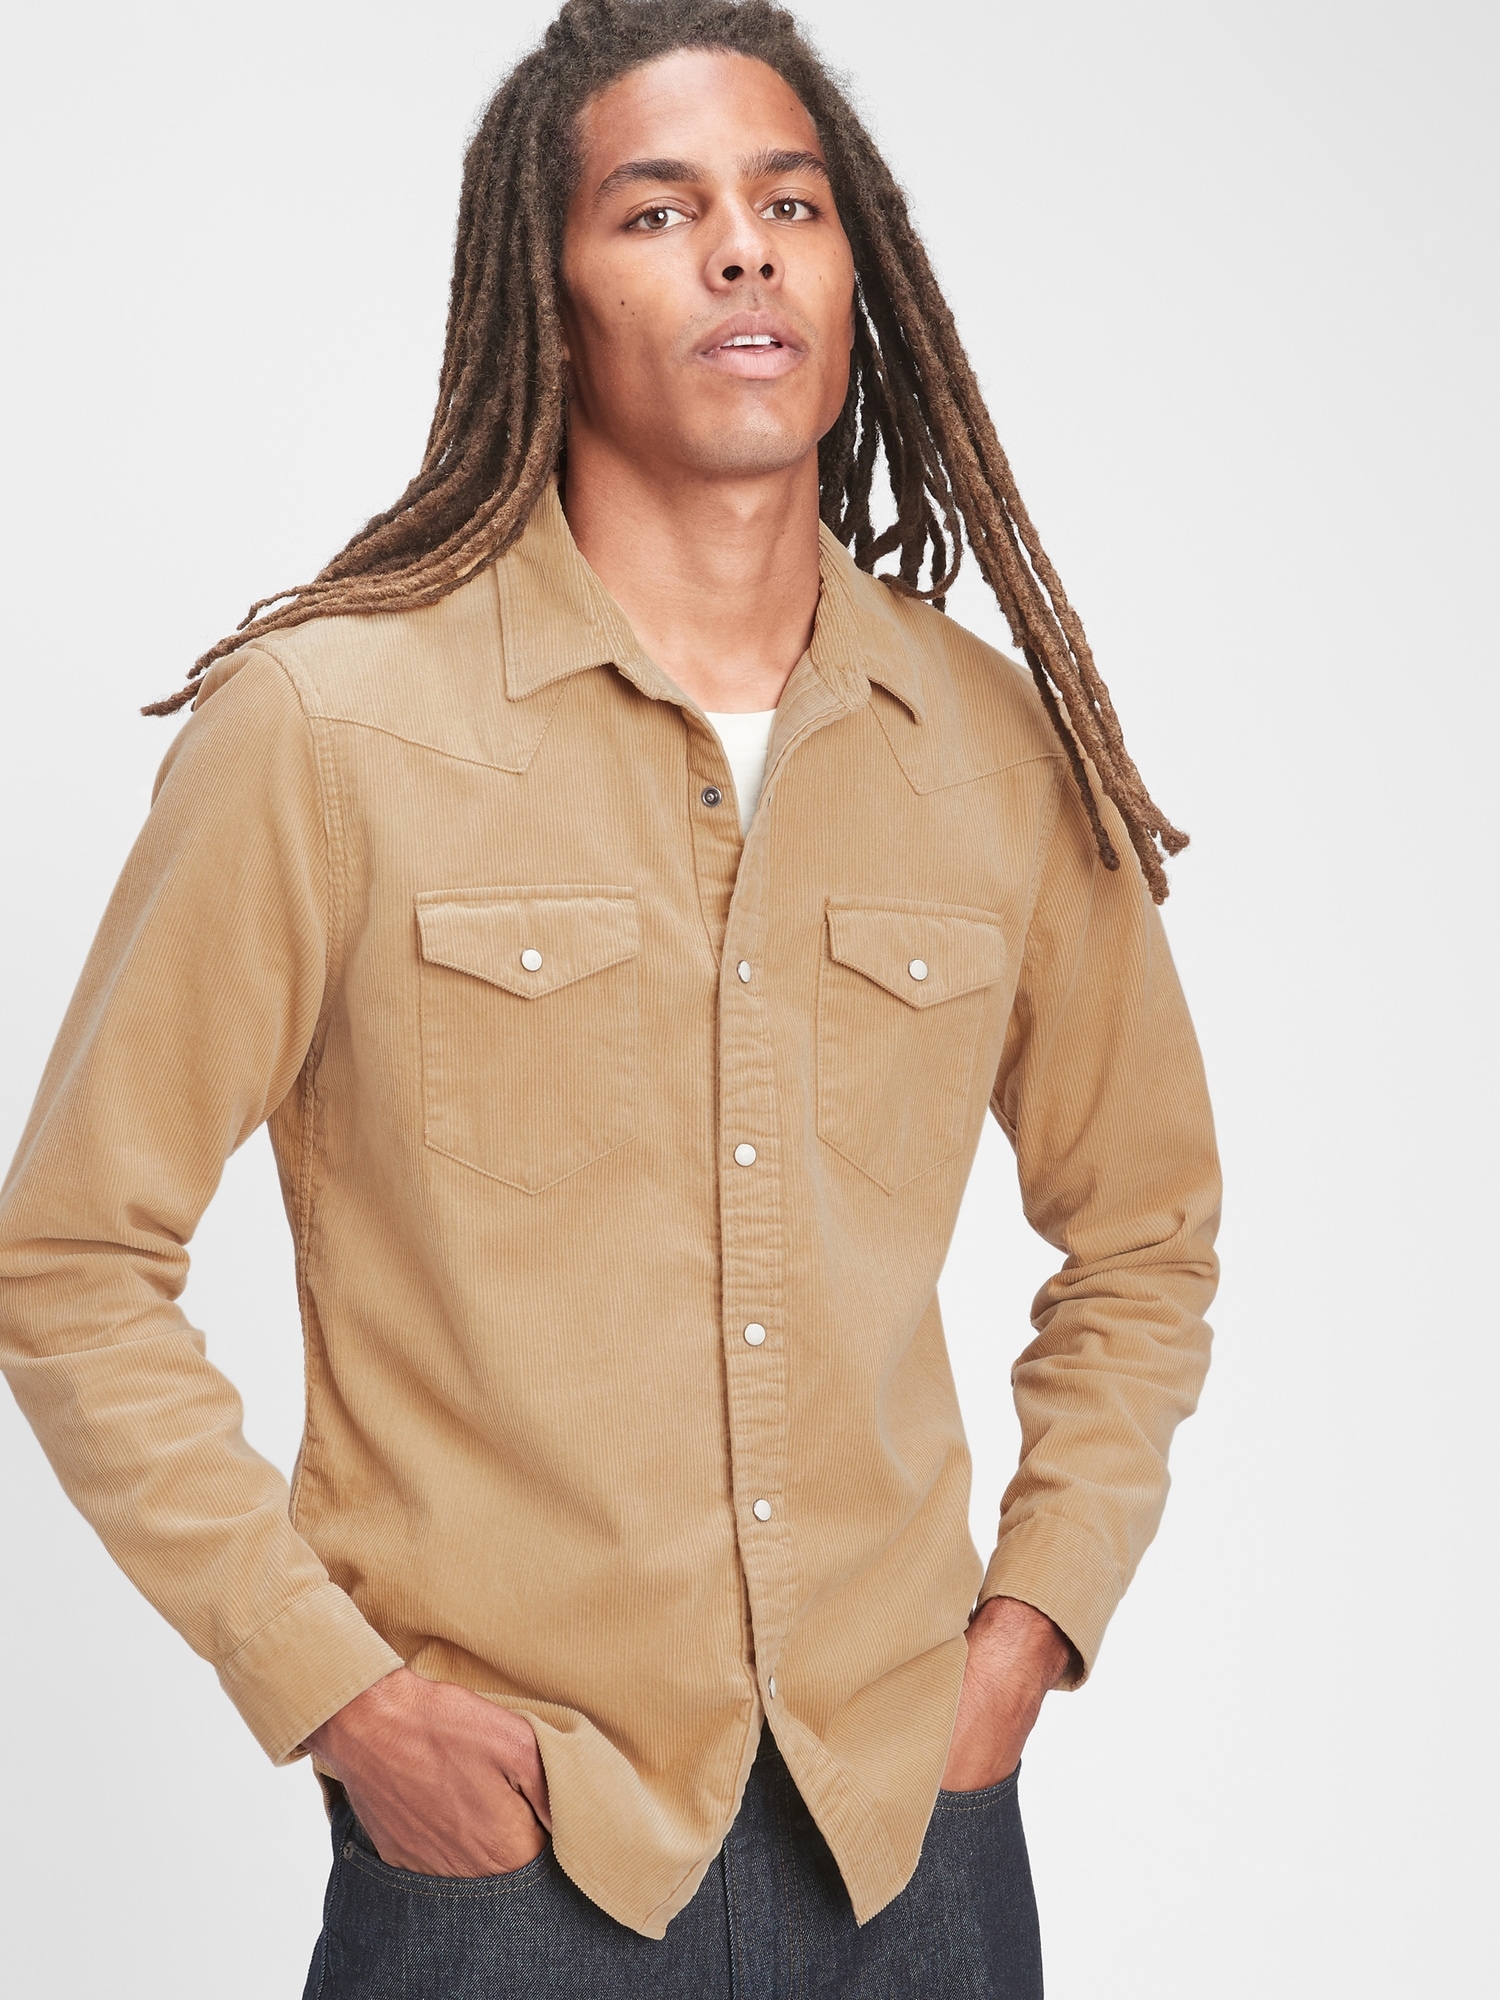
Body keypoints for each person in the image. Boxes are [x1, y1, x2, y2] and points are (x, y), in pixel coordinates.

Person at [0, 2, 1220, 1993]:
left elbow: (1149, 1231)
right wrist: (337, 1694)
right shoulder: (327, 730)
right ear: (545, 299)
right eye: (658, 213)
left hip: (912, 1846)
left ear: (855, 273)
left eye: (791, 205)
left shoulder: (993, 748)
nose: (742, 250)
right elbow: (68, 1260)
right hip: (508, 1859)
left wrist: (1029, 1631)